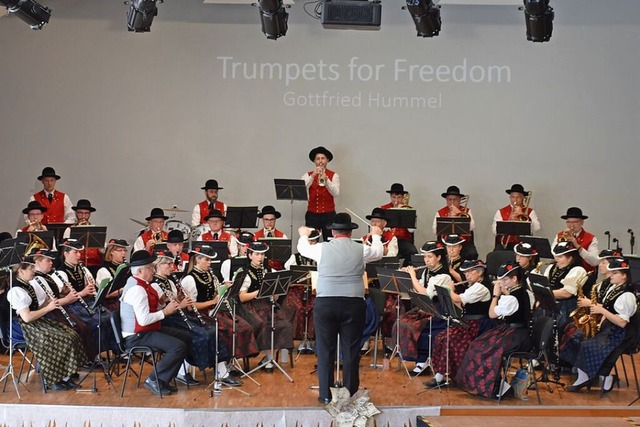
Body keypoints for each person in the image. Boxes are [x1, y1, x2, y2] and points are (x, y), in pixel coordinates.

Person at [297, 213, 383, 404]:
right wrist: (376, 234)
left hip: (326, 303)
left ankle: (326, 395)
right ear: (351, 231)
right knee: (351, 350)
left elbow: (302, 248)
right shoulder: (361, 249)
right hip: (353, 303)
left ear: (333, 231)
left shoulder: (320, 248)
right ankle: (349, 394)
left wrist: (303, 233)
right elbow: (378, 252)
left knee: (325, 349)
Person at [151, 248, 242, 387]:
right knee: (204, 334)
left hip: (177, 318)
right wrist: (181, 304)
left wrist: (180, 298)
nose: (172, 267)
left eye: (171, 263)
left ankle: (221, 371)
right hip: (167, 321)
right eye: (168, 264)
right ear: (158, 265)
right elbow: (161, 310)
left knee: (213, 330)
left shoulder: (168, 282)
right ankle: (188, 370)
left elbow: (171, 301)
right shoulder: (154, 285)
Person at [456, 262, 532, 398]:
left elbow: (492, 314)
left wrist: (496, 296)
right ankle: (493, 386)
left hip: (517, 336)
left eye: (504, 280)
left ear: (514, 279)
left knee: (485, 350)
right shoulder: (517, 292)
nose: (501, 282)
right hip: (511, 331)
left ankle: (497, 388)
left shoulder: (513, 298)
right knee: (477, 344)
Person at [7, 260, 86, 391]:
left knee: (70, 334)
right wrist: (48, 308)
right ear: (20, 271)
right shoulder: (16, 290)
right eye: (31, 268)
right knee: (60, 339)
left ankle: (66, 376)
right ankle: (52, 379)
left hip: (36, 321)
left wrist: (46, 304)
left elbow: (33, 308)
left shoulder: (27, 285)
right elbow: (26, 317)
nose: (34, 270)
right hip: (23, 327)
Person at [119, 250, 189, 396]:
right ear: (139, 271)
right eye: (150, 267)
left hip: (147, 330)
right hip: (137, 335)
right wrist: (166, 312)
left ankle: (164, 379)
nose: (153, 270)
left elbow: (149, 310)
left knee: (185, 337)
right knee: (177, 347)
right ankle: (154, 379)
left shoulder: (143, 284)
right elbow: (143, 320)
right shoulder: (137, 289)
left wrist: (163, 303)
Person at [563, 258, 637, 394]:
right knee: (577, 337)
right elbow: (609, 307)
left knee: (588, 345)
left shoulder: (627, 295)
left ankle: (600, 376)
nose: (611, 275)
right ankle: (582, 374)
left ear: (624, 275)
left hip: (620, 333)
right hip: (608, 326)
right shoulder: (614, 287)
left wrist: (601, 310)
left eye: (615, 273)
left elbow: (622, 322)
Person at [182, 244, 259, 363]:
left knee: (243, 326)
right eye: (207, 260)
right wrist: (212, 302)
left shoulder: (210, 275)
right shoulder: (189, 279)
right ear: (197, 259)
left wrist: (224, 289)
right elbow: (191, 307)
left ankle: (230, 363)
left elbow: (215, 295)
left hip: (213, 311)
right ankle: (222, 369)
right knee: (227, 331)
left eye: (210, 260)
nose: (209, 263)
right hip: (198, 316)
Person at [425, 260, 493, 389]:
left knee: (451, 340)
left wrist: (449, 289)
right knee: (441, 337)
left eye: (469, 272)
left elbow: (457, 299)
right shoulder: (473, 286)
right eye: (465, 272)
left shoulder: (481, 287)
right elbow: (460, 305)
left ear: (479, 272)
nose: (466, 275)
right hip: (468, 322)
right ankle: (442, 375)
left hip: (478, 325)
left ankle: (451, 376)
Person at [237, 241, 294, 372]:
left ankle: (269, 358)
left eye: (262, 254)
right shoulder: (245, 273)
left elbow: (277, 295)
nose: (260, 257)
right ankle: (267, 358)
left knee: (284, 324)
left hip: (267, 305)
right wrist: (259, 292)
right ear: (250, 255)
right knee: (263, 324)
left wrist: (274, 294)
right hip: (250, 307)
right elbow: (242, 297)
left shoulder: (269, 270)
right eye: (257, 254)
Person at [397, 241, 451, 375]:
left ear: (438, 258)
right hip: (427, 308)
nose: (426, 260)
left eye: (430, 257)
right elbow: (416, 288)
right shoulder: (427, 272)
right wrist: (404, 278)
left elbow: (426, 293)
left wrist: (412, 276)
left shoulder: (443, 275)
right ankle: (417, 359)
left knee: (417, 327)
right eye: (425, 257)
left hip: (440, 312)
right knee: (402, 322)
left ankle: (424, 360)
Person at [544, 241, 588, 332]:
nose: (556, 259)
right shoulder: (551, 268)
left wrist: (545, 293)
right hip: (550, 304)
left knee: (561, 331)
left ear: (570, 258)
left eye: (560, 257)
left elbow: (566, 293)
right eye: (556, 256)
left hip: (567, 308)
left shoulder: (577, 270)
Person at [302, 146, 340, 241]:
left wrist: (327, 180)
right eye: (318, 159)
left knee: (330, 241)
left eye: (323, 158)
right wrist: (313, 175)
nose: (320, 161)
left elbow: (336, 193)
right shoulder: (307, 175)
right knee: (311, 241)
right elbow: (302, 188)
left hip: (329, 215)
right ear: (314, 161)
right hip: (312, 215)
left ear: (327, 160)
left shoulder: (334, 175)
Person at [432, 186, 477, 259]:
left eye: (455, 199)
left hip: (463, 243)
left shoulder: (467, 211)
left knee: (472, 253)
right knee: (437, 254)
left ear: (459, 200)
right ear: (446, 200)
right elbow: (434, 230)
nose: (452, 202)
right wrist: (448, 219)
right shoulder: (440, 212)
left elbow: (472, 226)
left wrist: (459, 214)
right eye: (450, 200)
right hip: (446, 243)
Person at [492, 184, 541, 250]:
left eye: (518, 197)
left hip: (524, 244)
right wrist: (509, 220)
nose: (515, 200)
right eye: (513, 197)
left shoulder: (530, 211)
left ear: (523, 198)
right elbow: (495, 231)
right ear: (510, 197)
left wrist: (524, 216)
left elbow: (537, 228)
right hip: (506, 244)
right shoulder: (500, 211)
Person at [552, 207, 599, 274]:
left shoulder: (591, 238)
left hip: (583, 275)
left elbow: (594, 262)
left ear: (582, 222)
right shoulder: (559, 235)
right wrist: (563, 242)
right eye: (568, 222)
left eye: (575, 222)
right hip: (563, 273)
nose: (571, 225)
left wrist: (577, 246)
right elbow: (553, 254)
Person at [379, 183, 418, 263]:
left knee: (413, 251)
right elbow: (381, 228)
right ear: (390, 196)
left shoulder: (409, 210)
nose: (396, 200)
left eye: (399, 197)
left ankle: (405, 270)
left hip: (402, 240)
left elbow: (411, 230)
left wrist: (405, 212)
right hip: (387, 240)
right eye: (394, 197)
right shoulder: (383, 209)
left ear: (403, 197)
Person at [63, 199, 102, 274]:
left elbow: (102, 251)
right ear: (76, 213)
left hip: (95, 266)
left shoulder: (96, 230)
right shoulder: (69, 230)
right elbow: (65, 251)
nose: (83, 216)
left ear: (90, 214)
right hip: (77, 267)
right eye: (80, 213)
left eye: (86, 213)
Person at [95, 239, 130, 311]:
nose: (123, 253)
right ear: (111, 252)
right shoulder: (104, 271)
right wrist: (123, 290)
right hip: (112, 305)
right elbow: (106, 295)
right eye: (120, 250)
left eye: (125, 250)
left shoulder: (127, 267)